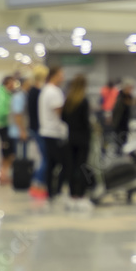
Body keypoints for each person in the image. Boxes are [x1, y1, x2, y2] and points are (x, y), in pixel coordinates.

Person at [63, 74, 93, 210]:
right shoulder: (84, 101)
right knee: (81, 167)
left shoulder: (68, 101)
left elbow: (63, 118)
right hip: (83, 138)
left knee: (71, 166)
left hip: (70, 137)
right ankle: (80, 194)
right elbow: (86, 122)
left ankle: (71, 194)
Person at [39, 67, 69, 202]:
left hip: (47, 131)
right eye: (61, 75)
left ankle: (51, 192)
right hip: (54, 132)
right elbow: (60, 112)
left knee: (51, 163)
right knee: (63, 163)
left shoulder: (45, 90)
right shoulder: (54, 92)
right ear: (54, 76)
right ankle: (56, 191)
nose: (62, 78)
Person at [28, 67, 48, 199]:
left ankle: (38, 182)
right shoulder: (37, 92)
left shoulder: (33, 91)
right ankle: (37, 182)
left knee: (44, 157)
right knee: (46, 157)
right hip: (38, 129)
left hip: (36, 128)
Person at [0, 76, 16, 185]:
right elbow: (1, 112)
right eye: (11, 84)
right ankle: (3, 175)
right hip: (4, 126)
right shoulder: (2, 94)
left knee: (10, 152)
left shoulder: (7, 94)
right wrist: (12, 113)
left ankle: (5, 174)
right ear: (7, 84)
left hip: (8, 126)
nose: (13, 86)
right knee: (6, 152)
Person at [9, 78, 30, 174]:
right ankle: (19, 174)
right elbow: (17, 115)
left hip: (20, 130)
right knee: (19, 155)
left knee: (23, 155)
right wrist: (22, 131)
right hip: (18, 131)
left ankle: (22, 173)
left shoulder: (24, 96)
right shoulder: (19, 97)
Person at [111, 78, 135, 153]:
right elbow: (116, 111)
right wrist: (114, 123)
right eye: (130, 88)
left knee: (124, 142)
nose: (131, 89)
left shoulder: (129, 97)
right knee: (119, 142)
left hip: (126, 122)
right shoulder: (120, 96)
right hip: (119, 123)